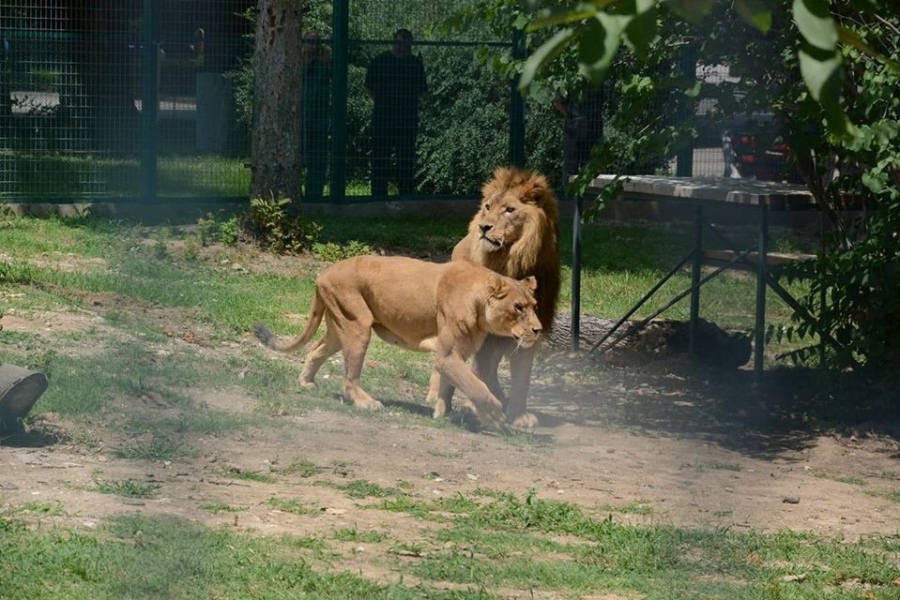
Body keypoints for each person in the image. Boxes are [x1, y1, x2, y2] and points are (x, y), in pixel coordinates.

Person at [364, 28, 427, 196]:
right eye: (399, 43)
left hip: (407, 119)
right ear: (394, 42)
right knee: (380, 157)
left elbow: (421, 90)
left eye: (405, 44)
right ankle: (378, 196)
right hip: (382, 118)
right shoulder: (381, 61)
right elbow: (368, 87)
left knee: (405, 158)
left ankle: (405, 195)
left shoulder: (415, 63)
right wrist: (382, 103)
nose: (401, 47)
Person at [554, 86, 605, 191]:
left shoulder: (570, 80)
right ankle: (588, 195)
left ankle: (571, 196)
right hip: (593, 125)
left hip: (575, 125)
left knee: (571, 166)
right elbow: (603, 101)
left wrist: (569, 115)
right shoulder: (597, 80)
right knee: (590, 164)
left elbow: (558, 102)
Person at [301, 31, 332, 199]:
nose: (313, 46)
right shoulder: (297, 60)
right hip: (298, 117)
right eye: (309, 42)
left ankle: (314, 196)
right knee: (296, 157)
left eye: (316, 43)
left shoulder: (323, 62)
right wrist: (306, 63)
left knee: (318, 158)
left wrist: (321, 62)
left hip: (319, 117)